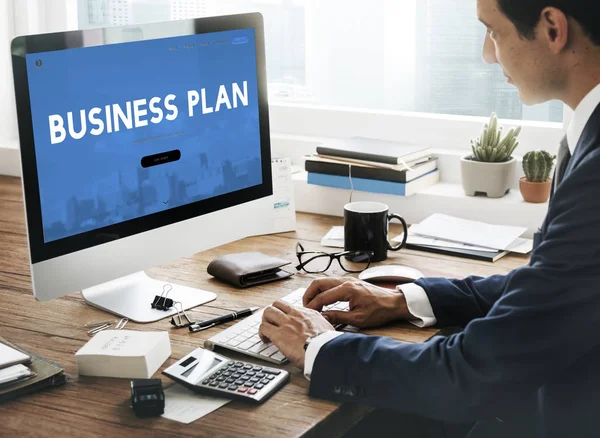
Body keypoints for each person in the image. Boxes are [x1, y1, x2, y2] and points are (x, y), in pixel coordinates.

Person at [258, 0, 600, 437]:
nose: (487, 54)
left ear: (553, 29)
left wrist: (318, 346)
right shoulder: (586, 130)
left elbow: (471, 376)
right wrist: (407, 300)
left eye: (493, 31)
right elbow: (552, 284)